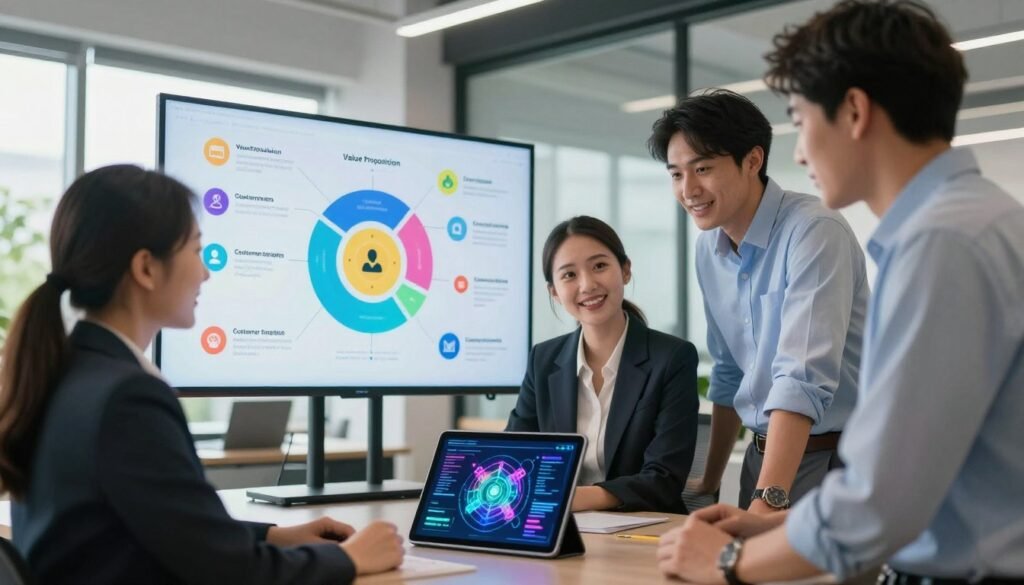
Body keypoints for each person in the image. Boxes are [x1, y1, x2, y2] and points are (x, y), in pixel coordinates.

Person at [656, 1, 1024, 583]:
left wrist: (730, 562)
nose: (799, 152)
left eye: (801, 120)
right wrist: (772, 525)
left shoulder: (942, 244)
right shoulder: (969, 224)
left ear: (854, 111)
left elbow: (878, 499)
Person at [0, 165, 404, 584]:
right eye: (196, 251)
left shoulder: (67, 371)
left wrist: (275, 535)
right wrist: (352, 559)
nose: (206, 272)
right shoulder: (127, 398)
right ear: (146, 269)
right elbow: (229, 572)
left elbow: (165, 524)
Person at [647, 89, 868, 514]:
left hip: (837, 461)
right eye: (676, 174)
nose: (688, 189)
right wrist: (708, 483)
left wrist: (766, 503)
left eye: (703, 168)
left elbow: (800, 379)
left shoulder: (814, 232)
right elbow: (729, 373)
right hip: (762, 460)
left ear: (753, 160)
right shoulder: (708, 248)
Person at [506, 216, 699, 514]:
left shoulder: (672, 358)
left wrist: (573, 498)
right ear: (554, 292)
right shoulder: (543, 360)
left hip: (645, 532)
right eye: (569, 275)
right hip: (560, 526)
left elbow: (664, 479)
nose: (587, 285)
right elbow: (513, 457)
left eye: (599, 266)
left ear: (625, 270)